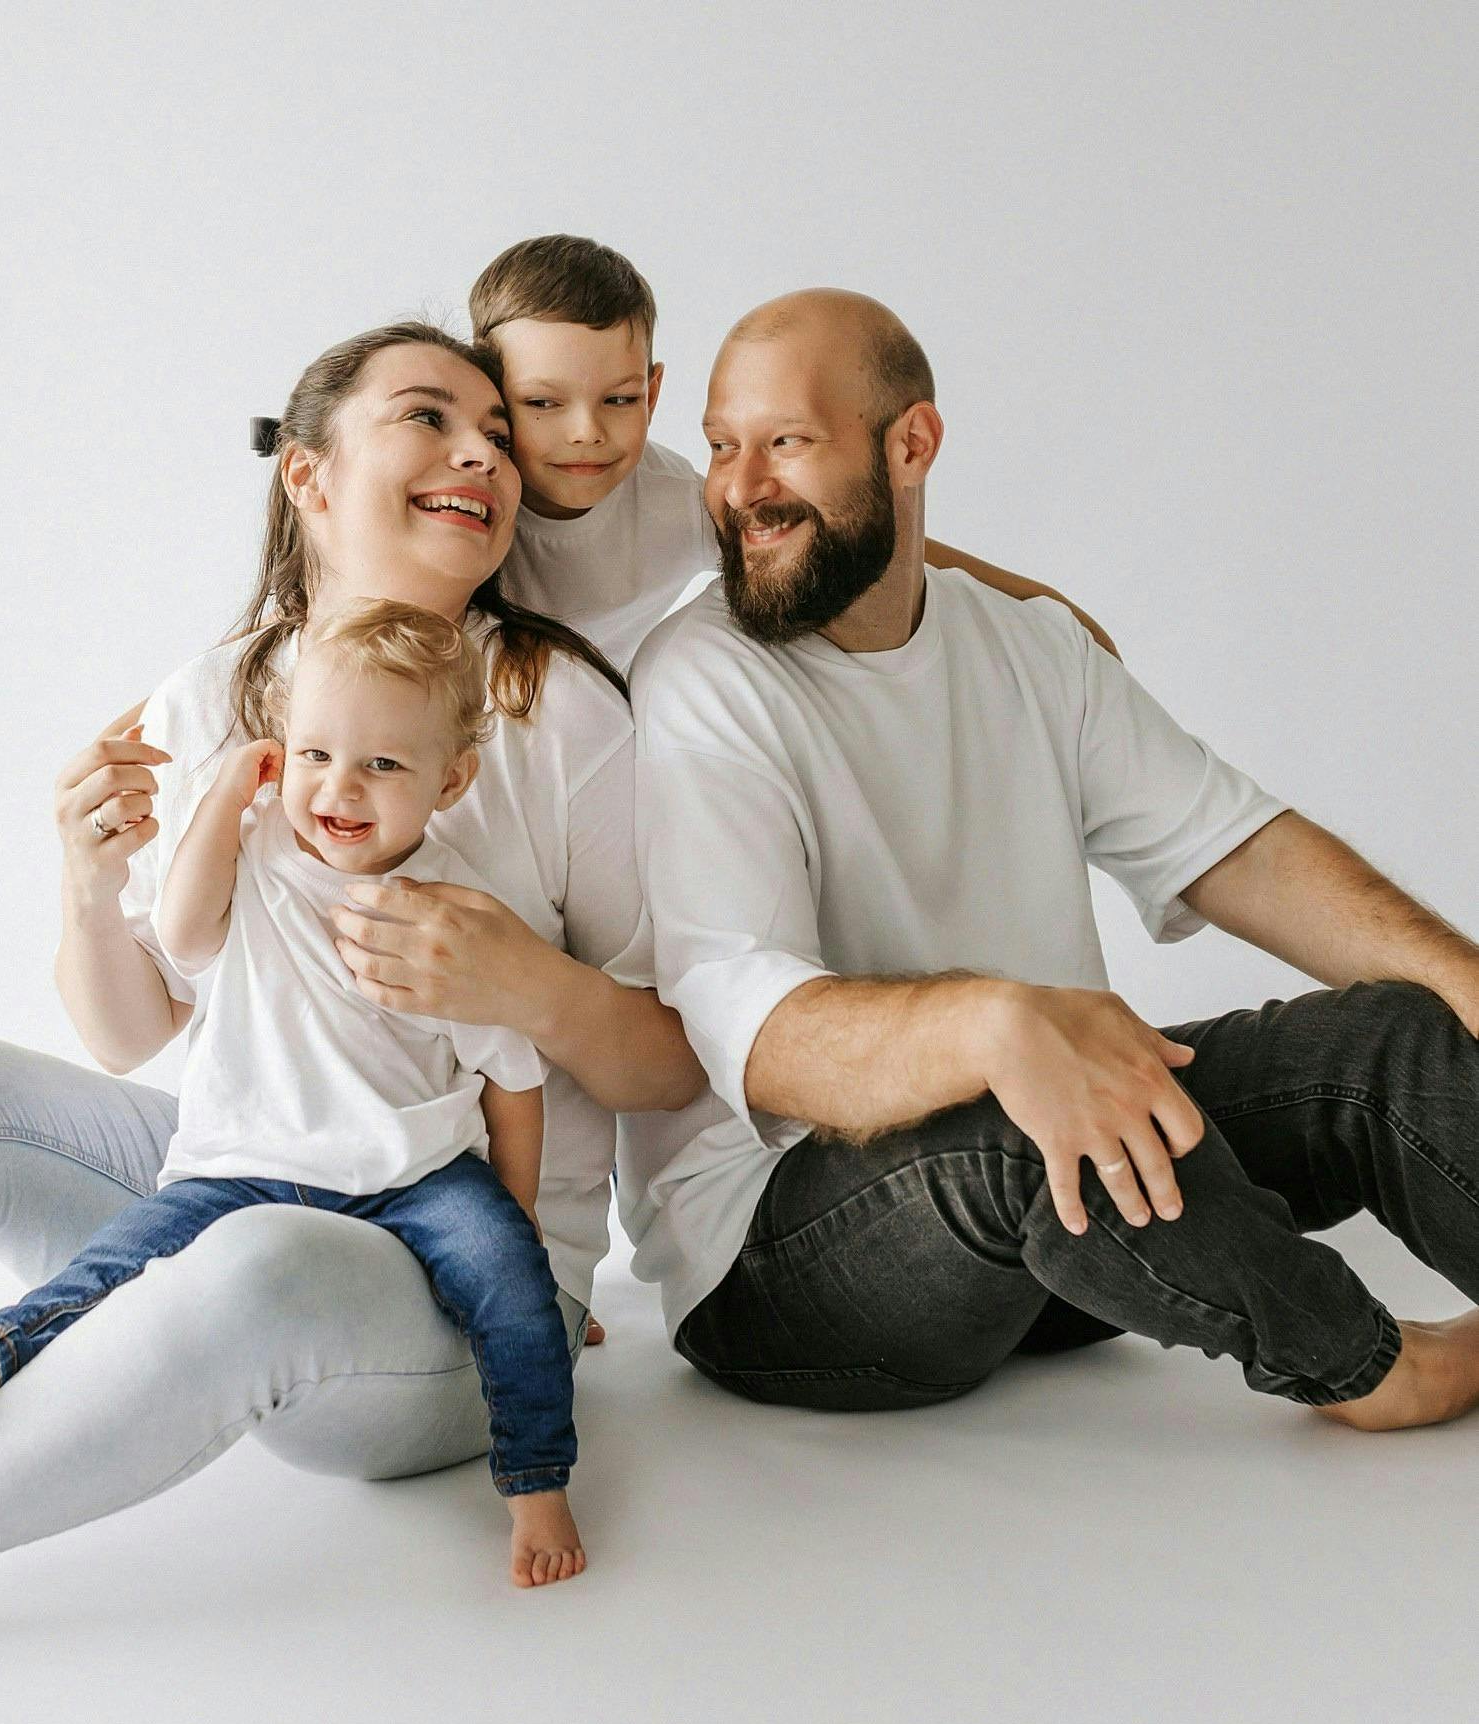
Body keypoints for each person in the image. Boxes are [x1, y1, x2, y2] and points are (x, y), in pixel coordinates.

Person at [0, 322, 701, 1630]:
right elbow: (126, 1034)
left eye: (497, 433)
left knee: (258, 1262)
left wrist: (523, 986)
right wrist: (88, 886)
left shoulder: (552, 710)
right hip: (240, 1173)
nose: (480, 451)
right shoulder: (212, 699)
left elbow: (672, 1065)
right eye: (429, 418)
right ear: (308, 476)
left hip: (448, 1273)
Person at [626, 288, 1479, 1431]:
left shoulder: (1029, 645)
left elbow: (1241, 851)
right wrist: (996, 1026)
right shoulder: (702, 677)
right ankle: (1375, 1370)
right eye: (724, 447)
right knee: (1029, 1105)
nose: (739, 487)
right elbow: (758, 1037)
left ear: (911, 444)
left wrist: (1469, 983)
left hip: (1074, 1222)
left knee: (1397, 1031)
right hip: (787, 1261)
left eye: (786, 442)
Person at [0, 600, 588, 1587]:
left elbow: (512, 1083)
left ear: (452, 778)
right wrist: (227, 803)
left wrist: (517, 1223)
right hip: (243, 1165)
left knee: (513, 1291)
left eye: (383, 766)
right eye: (314, 754)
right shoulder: (262, 849)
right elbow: (185, 936)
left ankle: (537, 1486)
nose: (340, 789)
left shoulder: (456, 911)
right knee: (119, 1266)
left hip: (419, 1175)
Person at [471, 232, 1122, 675]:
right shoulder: (454, 493)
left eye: (617, 400)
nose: (586, 433)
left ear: (653, 389)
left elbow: (874, 549)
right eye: (542, 404)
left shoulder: (674, 501)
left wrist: (1054, 618)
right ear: (490, 392)